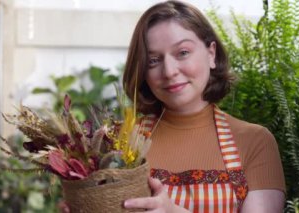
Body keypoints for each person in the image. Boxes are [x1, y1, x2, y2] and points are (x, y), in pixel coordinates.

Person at [122, 1, 285, 212]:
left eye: (182, 53)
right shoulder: (120, 142)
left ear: (211, 54)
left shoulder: (254, 142)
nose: (169, 71)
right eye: (153, 60)